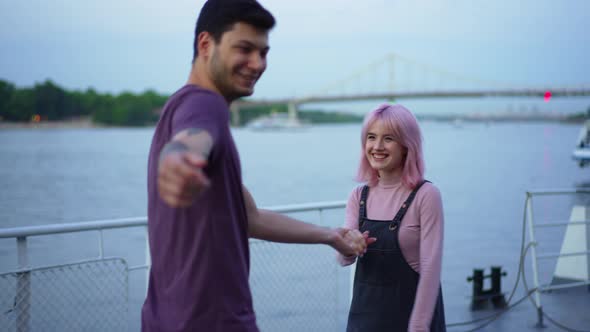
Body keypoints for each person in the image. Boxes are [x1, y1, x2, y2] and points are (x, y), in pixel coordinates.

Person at [141, 1, 374, 331]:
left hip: (165, 320)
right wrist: (178, 160)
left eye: (263, 52)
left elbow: (250, 217)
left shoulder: (181, 106)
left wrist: (329, 235)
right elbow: (192, 137)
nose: (257, 64)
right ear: (206, 44)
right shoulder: (205, 104)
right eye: (244, 49)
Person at [338, 103, 446, 332]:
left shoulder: (426, 195)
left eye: (388, 138)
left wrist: (418, 326)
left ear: (407, 146)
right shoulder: (358, 196)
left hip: (412, 322)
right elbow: (343, 259)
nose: (377, 147)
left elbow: (431, 268)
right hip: (364, 321)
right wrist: (348, 245)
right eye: (371, 137)